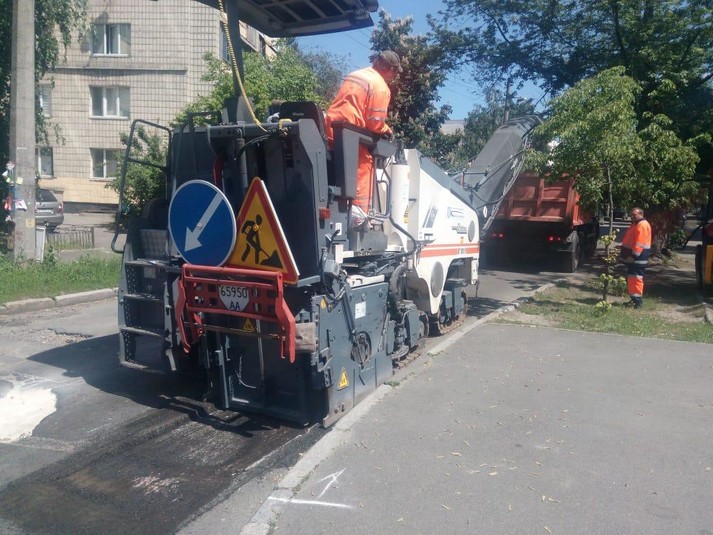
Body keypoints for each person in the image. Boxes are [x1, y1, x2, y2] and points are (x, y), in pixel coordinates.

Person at [324, 50, 402, 213]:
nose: (394, 76)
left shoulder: (355, 75)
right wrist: (386, 130)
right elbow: (374, 124)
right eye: (395, 72)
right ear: (390, 69)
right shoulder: (380, 86)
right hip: (351, 133)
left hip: (331, 128)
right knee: (364, 167)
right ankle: (358, 214)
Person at [619, 207, 652, 308]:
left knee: (636, 278)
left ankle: (637, 302)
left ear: (641, 214)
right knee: (633, 278)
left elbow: (639, 243)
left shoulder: (642, 225)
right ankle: (634, 300)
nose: (632, 217)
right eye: (631, 215)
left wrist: (633, 256)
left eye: (634, 215)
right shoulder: (636, 224)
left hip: (637, 258)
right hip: (635, 258)